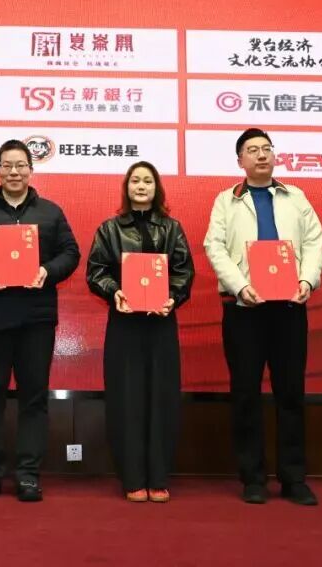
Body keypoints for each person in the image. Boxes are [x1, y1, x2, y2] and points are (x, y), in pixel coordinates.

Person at [0, 139, 80, 502]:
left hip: (36, 321)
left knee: (33, 399)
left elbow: (71, 252)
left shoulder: (51, 212)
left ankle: (28, 475)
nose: (14, 172)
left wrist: (47, 271)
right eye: (7, 165)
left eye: (21, 165)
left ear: (31, 170)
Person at [203, 128, 322, 506]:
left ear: (275, 157)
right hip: (245, 310)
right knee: (246, 393)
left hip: (289, 307)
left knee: (290, 392)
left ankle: (293, 478)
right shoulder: (227, 200)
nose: (261, 155)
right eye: (252, 150)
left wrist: (307, 280)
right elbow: (214, 247)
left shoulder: (295, 197)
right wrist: (240, 286)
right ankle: (252, 477)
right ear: (240, 160)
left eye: (267, 149)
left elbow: (314, 241)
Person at [85, 161, 194, 503]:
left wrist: (173, 297)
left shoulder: (172, 228)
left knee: (162, 397)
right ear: (127, 188)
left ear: (156, 188)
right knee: (127, 398)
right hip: (125, 323)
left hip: (161, 322)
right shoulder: (109, 229)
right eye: (136, 180)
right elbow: (96, 271)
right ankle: (132, 476)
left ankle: (158, 476)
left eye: (148, 180)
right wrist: (114, 291)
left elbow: (183, 271)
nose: (142, 186)